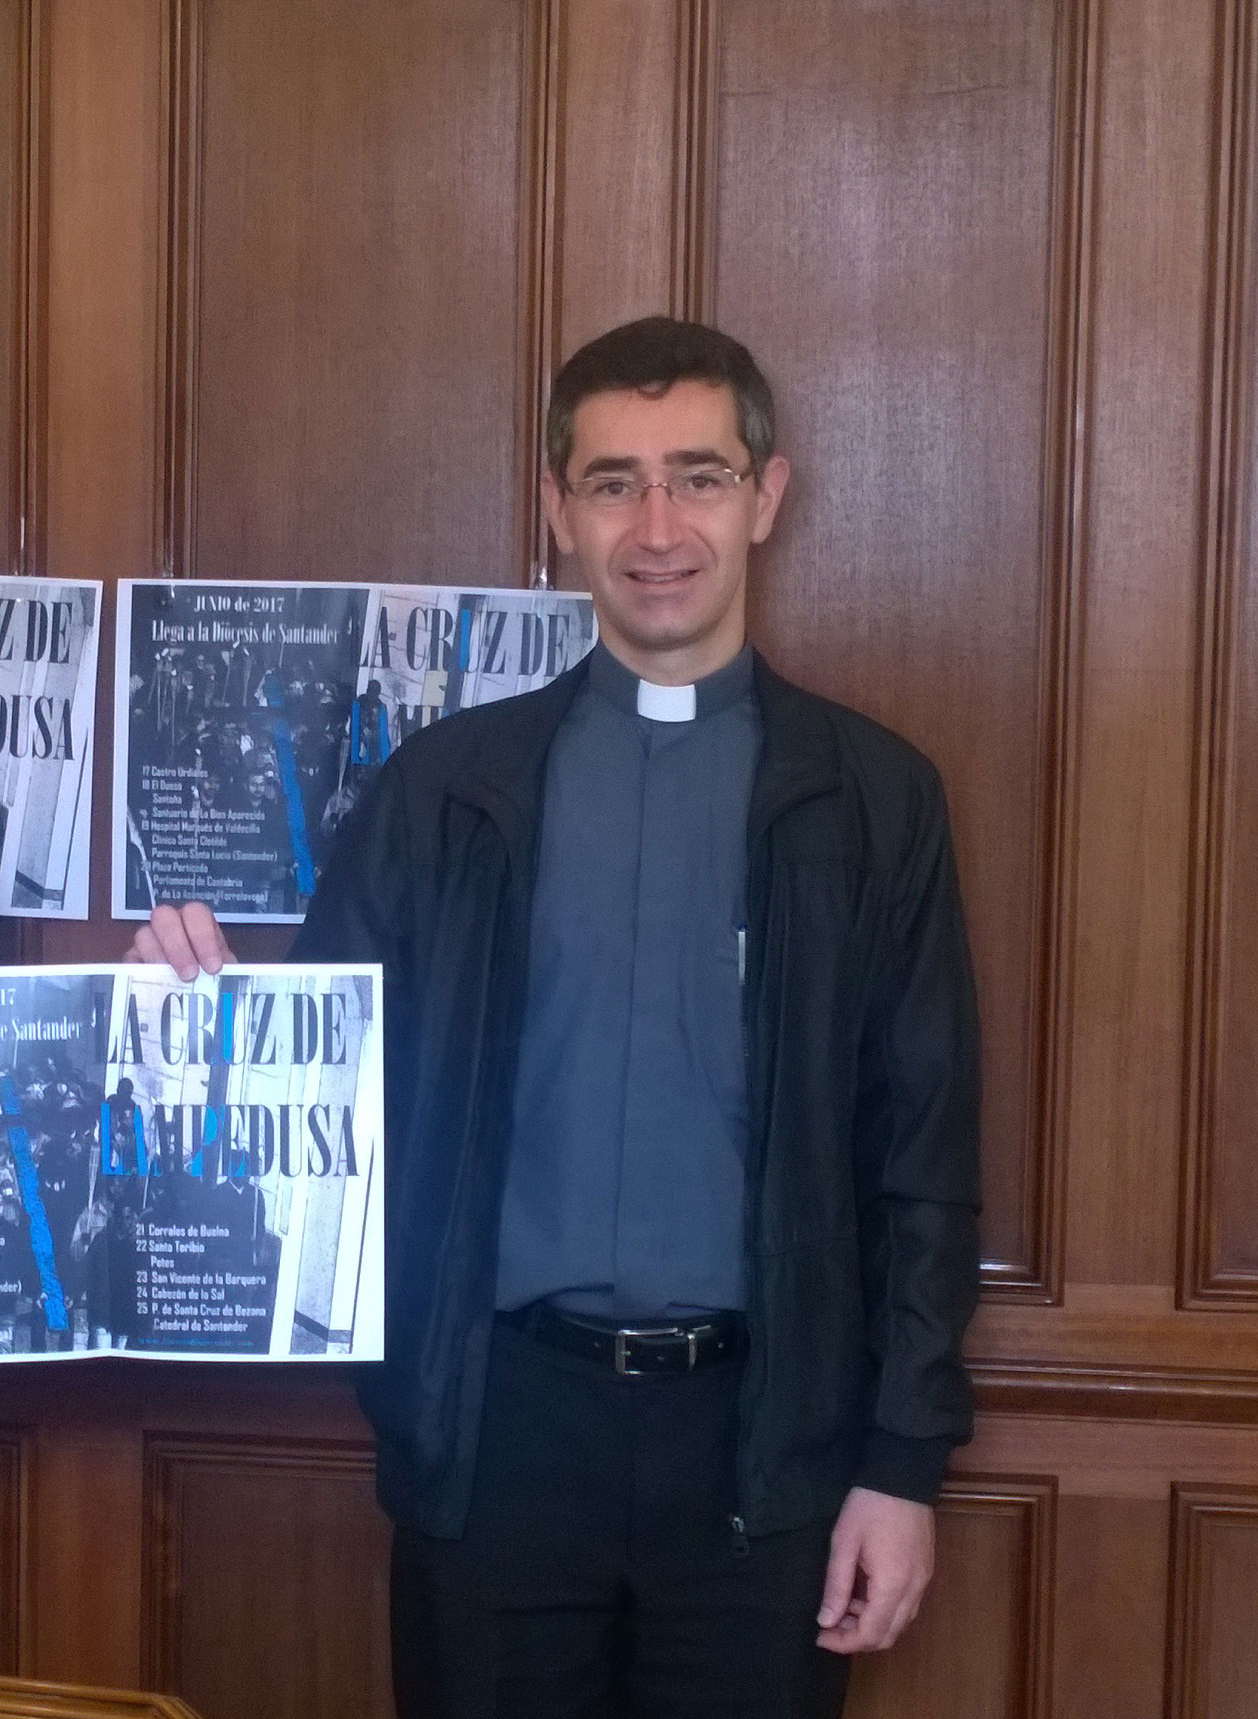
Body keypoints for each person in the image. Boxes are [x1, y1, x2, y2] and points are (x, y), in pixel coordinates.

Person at [134, 315, 981, 1718]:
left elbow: (925, 1156)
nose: (658, 527)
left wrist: (902, 1466)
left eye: (698, 477)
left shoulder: (876, 801)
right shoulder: (444, 793)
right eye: (613, 483)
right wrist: (194, 1014)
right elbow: (312, 1098)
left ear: (766, 496)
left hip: (765, 1443)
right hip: (497, 1432)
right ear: (557, 510)